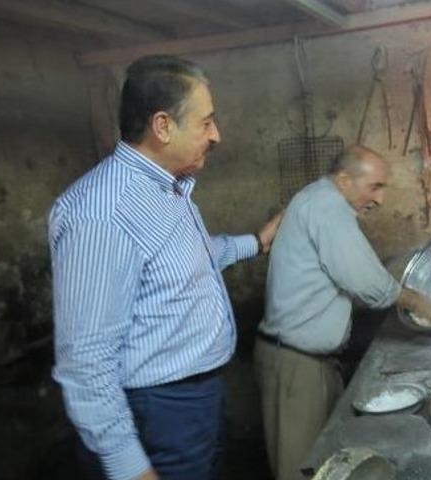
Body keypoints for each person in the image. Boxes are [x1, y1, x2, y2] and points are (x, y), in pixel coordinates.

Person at [48, 55, 280, 480]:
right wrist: (129, 467)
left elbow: (188, 261)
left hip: (192, 401)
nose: (217, 135)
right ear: (162, 126)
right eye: (205, 122)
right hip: (156, 412)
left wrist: (257, 243)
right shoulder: (102, 212)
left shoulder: (165, 190)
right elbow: (85, 361)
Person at [254, 145, 431, 480]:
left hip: (311, 361)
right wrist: (415, 301)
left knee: (332, 464)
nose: (380, 199)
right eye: (375, 187)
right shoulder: (328, 207)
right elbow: (366, 281)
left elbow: (347, 278)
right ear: (344, 180)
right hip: (295, 366)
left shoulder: (318, 199)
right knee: (301, 470)